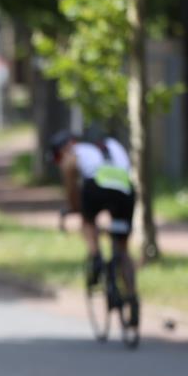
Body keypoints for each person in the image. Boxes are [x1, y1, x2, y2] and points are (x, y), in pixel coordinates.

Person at [49, 129, 139, 324]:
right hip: (125, 190)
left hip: (96, 186)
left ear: (65, 147)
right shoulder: (112, 145)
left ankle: (96, 257)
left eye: (57, 157)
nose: (59, 161)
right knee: (123, 249)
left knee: (87, 222)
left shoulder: (74, 152)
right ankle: (132, 298)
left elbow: (72, 183)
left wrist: (74, 208)